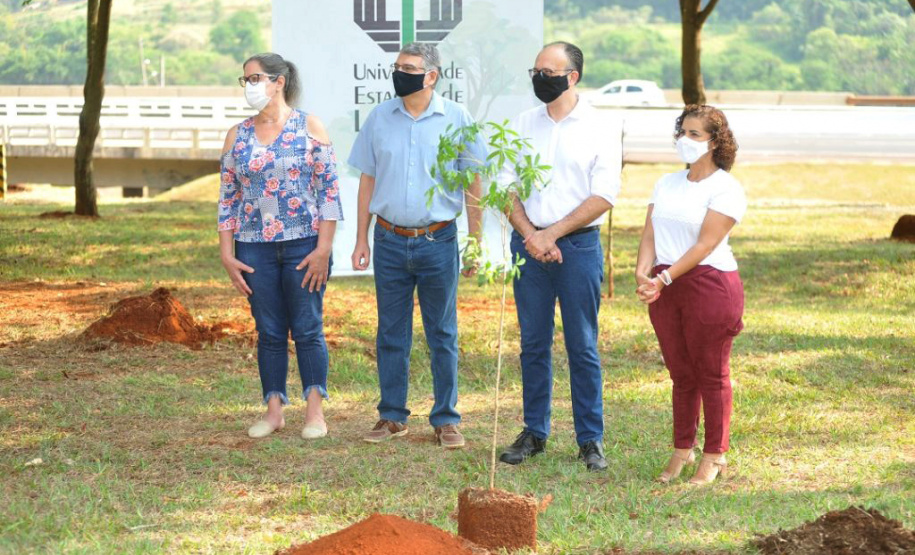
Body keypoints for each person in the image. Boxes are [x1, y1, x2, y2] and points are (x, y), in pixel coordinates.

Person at [348, 42, 485, 449]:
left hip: (438, 240)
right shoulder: (379, 118)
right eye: (396, 66)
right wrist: (360, 237)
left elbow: (473, 183)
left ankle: (446, 418)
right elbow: (367, 180)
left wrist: (475, 241)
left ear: (431, 75)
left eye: (408, 67)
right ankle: (392, 415)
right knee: (390, 331)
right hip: (388, 239)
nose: (399, 73)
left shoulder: (458, 119)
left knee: (442, 332)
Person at [497, 42, 622, 472]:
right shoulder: (521, 124)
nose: (538, 79)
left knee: (582, 345)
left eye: (547, 71)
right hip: (528, 248)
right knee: (533, 343)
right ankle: (534, 431)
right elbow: (505, 187)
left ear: (572, 77)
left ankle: (590, 439)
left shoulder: (601, 127)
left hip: (578, 248)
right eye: (534, 70)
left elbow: (604, 194)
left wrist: (551, 233)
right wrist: (532, 235)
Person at [217, 52, 343, 440]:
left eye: (254, 78)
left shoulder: (311, 127)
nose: (249, 86)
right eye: (245, 80)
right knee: (269, 330)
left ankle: (315, 413)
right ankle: (273, 412)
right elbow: (227, 199)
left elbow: (329, 193)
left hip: (304, 244)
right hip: (253, 247)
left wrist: (323, 249)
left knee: (307, 328)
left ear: (279, 82)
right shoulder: (237, 135)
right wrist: (227, 253)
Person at [634, 104, 746, 485]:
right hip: (665, 285)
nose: (686, 140)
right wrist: (643, 270)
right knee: (681, 375)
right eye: (682, 132)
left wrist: (663, 279)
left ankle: (715, 455)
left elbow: (704, 245)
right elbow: (650, 232)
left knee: (711, 374)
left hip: (709, 285)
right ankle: (683, 448)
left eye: (695, 134)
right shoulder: (666, 183)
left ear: (715, 142)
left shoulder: (727, 188)